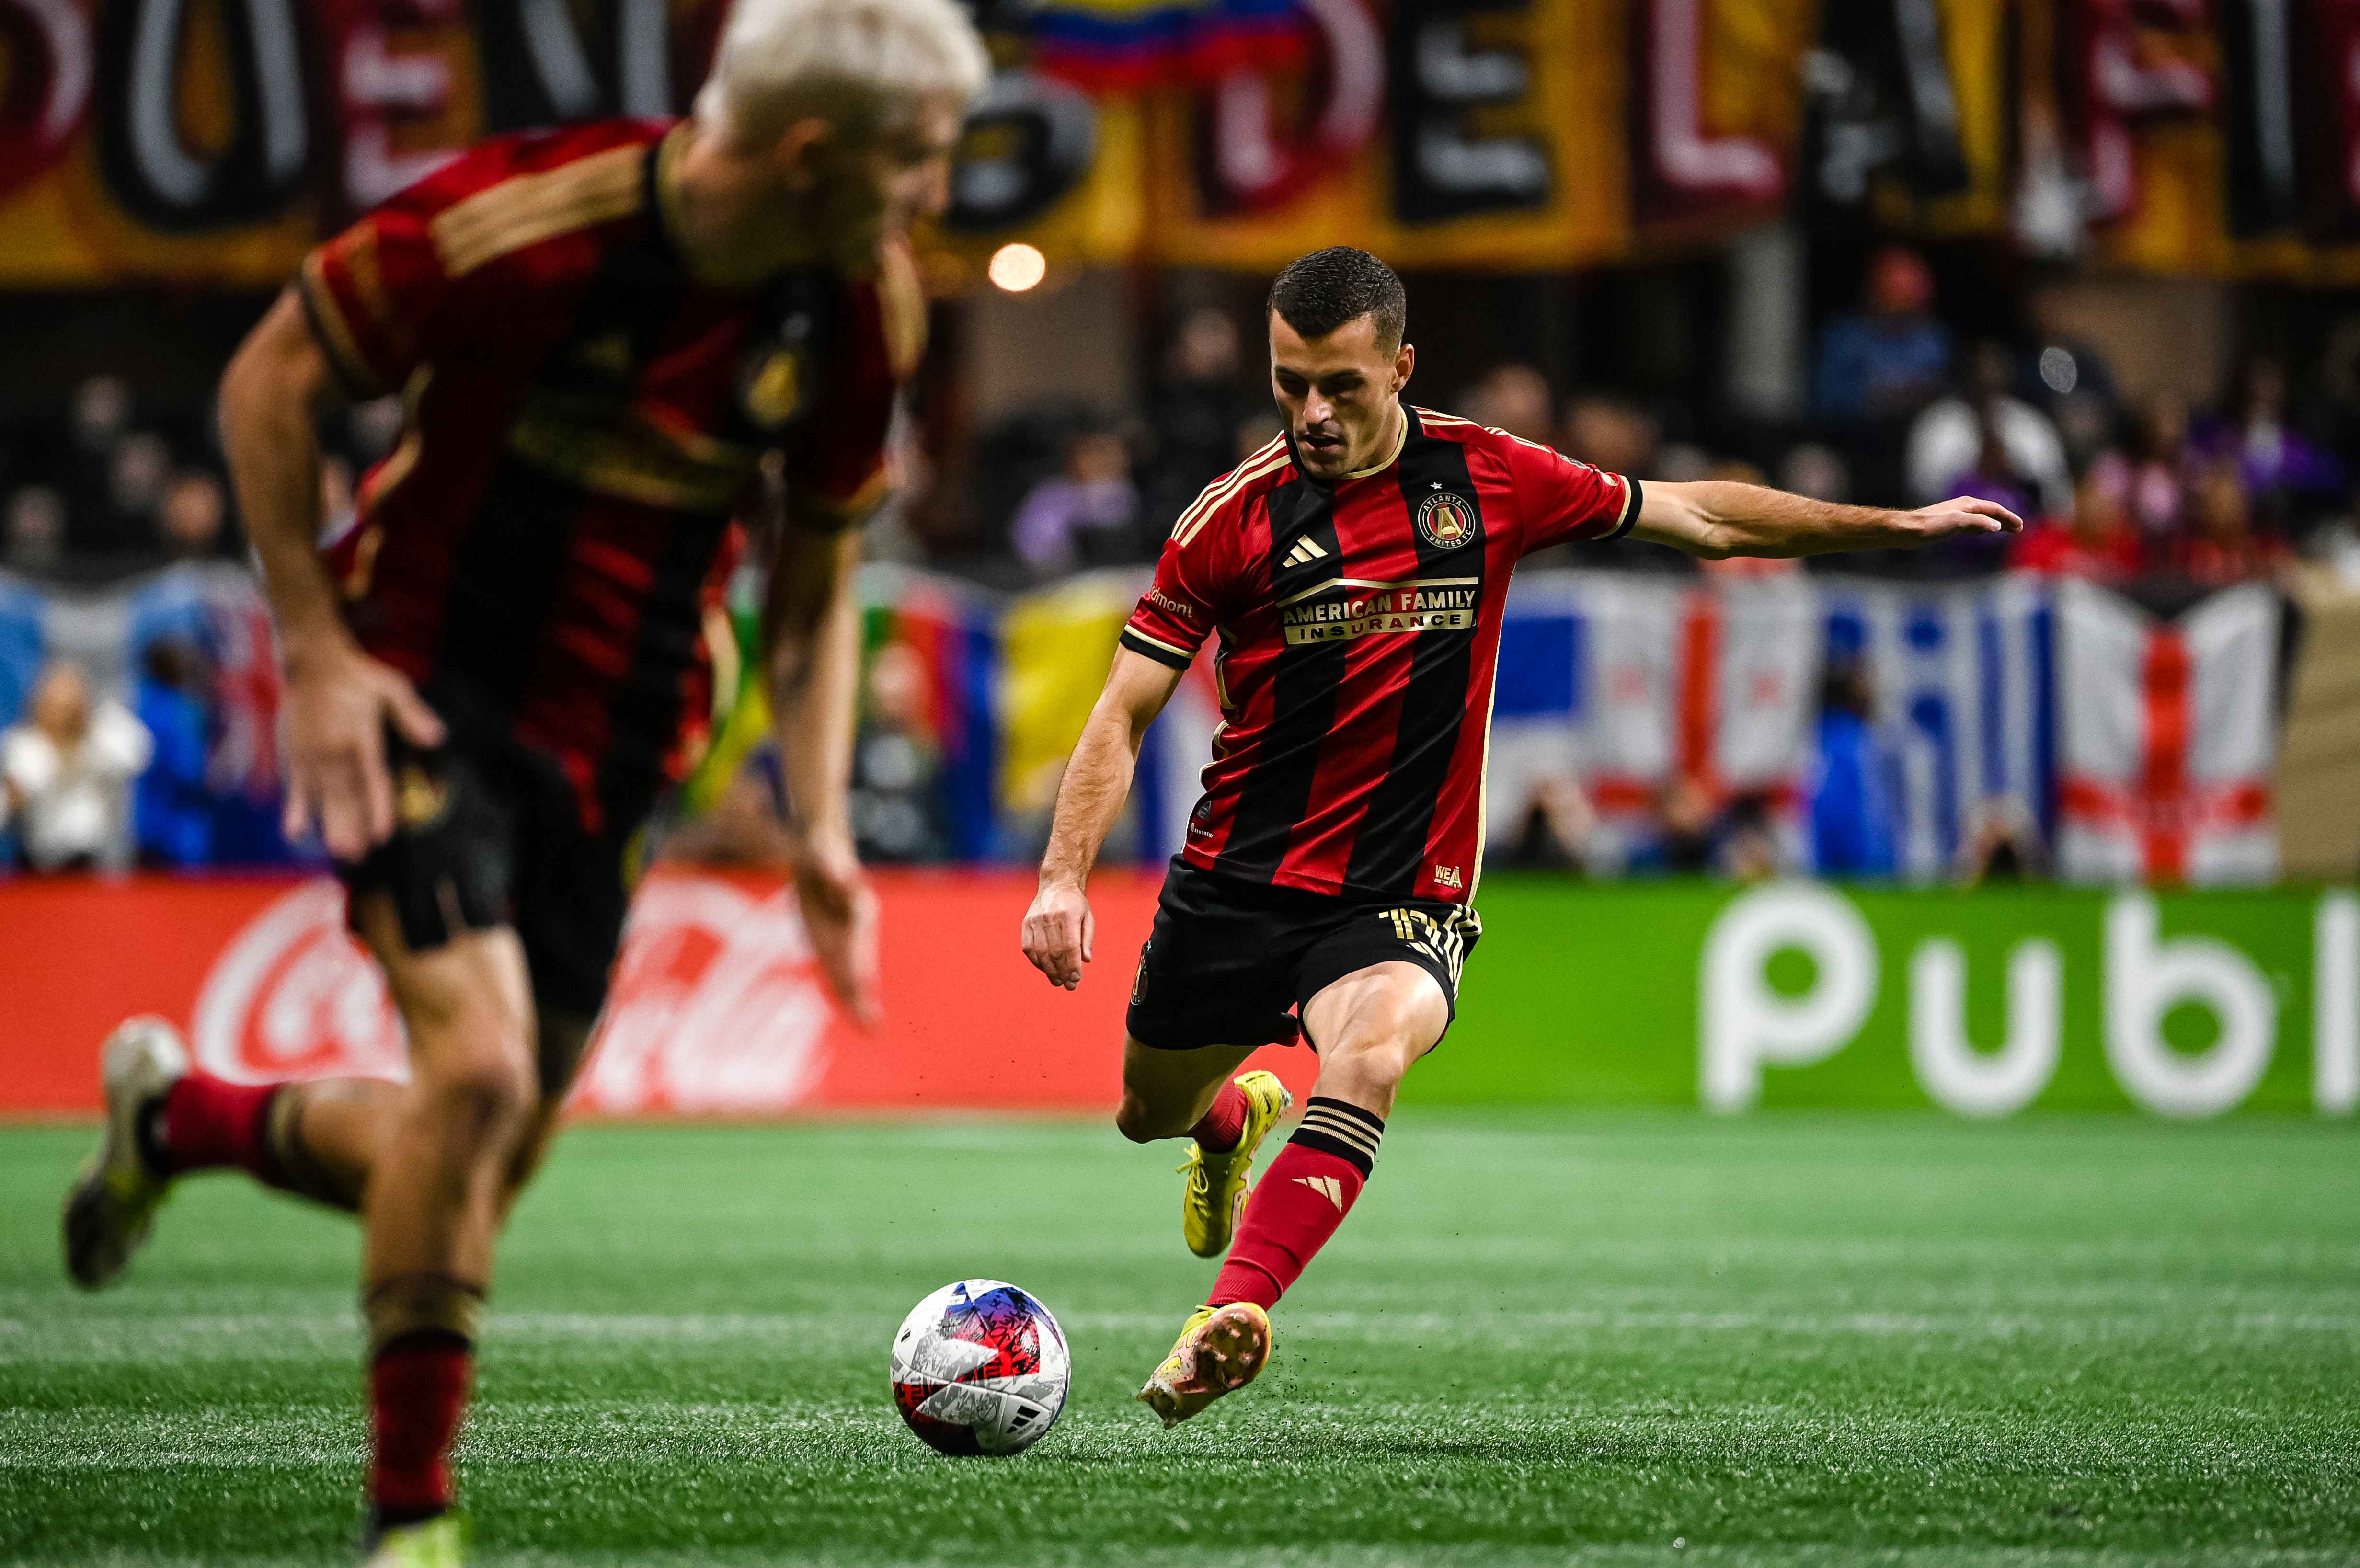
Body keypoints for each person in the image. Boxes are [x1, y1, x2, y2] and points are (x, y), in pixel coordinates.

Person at [58, 0, 986, 1561]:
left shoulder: (861, 310)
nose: (935, 194)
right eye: (921, 158)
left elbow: (819, 588)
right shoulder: (519, 227)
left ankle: (181, 1120)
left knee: (478, 1154)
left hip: (620, 751)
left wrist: (819, 823)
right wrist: (317, 655)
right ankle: (410, 1523)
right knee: (477, 1080)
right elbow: (270, 382)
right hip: (422, 695)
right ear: (814, 154)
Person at [1016, 247, 2021, 1428]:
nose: (1313, 415)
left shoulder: (1486, 478)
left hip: (1400, 890)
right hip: (1235, 876)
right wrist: (1061, 877)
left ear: (1399, 364)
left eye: (1341, 385)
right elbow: (1123, 706)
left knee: (1372, 1057)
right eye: (1290, 385)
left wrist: (1889, 525)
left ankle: (1228, 1316)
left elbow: (1696, 516)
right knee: (1146, 1109)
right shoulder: (1231, 521)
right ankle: (1229, 1117)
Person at [2, 660, 152, 871]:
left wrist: (89, 726)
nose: (65, 712)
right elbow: (18, 791)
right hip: (39, 865)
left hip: (90, 863)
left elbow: (140, 752)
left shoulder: (99, 738)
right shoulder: (25, 744)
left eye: (71, 704)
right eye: (57, 703)